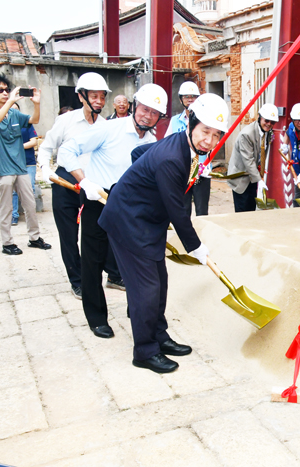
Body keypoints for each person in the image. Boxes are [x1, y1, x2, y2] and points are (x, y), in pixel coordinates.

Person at [99, 93, 225, 373]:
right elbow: (178, 211)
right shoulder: (172, 158)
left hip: (147, 220)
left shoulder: (184, 146)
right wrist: (196, 247)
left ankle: (159, 336)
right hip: (128, 222)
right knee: (147, 289)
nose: (210, 141)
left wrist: (143, 180)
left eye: (217, 135)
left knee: (160, 282)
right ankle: (144, 351)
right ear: (191, 122)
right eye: (205, 131)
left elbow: (139, 154)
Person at [57, 83, 164, 339]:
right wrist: (85, 182)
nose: (147, 115)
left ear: (159, 117)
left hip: (130, 208)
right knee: (92, 263)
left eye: (154, 113)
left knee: (135, 264)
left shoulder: (153, 143)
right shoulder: (109, 128)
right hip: (98, 199)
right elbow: (67, 151)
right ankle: (96, 318)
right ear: (135, 105)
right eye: (144, 109)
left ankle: (137, 311)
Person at [38, 72, 124, 300]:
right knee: (69, 235)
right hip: (65, 182)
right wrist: (45, 168)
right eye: (93, 96)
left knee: (100, 231)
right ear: (81, 96)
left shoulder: (106, 125)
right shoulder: (66, 121)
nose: (98, 101)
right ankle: (77, 281)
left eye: (102, 96)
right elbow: (46, 147)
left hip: (92, 185)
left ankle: (113, 275)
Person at [0, 73, 51, 255]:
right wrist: (10, 101)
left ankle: (34, 238)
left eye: (7, 90)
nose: (5, 93)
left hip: (20, 166)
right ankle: (7, 243)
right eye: (0, 90)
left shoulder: (14, 113)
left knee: (30, 204)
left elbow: (34, 120)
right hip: (2, 168)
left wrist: (37, 103)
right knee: (6, 207)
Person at [165, 81, 210, 216]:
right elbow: (167, 144)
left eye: (193, 96)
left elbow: (214, 142)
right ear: (181, 99)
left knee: (202, 211)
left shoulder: (206, 120)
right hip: (181, 172)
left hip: (202, 171)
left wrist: (207, 163)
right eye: (186, 96)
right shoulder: (174, 121)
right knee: (183, 210)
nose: (190, 99)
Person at [227, 103, 278, 212]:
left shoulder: (267, 133)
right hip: (241, 178)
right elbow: (248, 160)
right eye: (266, 120)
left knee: (251, 211)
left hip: (253, 177)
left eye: (272, 122)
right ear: (259, 117)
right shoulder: (247, 134)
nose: (269, 124)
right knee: (242, 213)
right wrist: (259, 180)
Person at [11, 102, 38, 226]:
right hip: (13, 164)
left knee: (30, 189)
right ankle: (14, 215)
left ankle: (31, 216)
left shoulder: (27, 124)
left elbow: (34, 142)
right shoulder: (6, 125)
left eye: (16, 109)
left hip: (28, 163)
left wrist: (18, 147)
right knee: (14, 191)